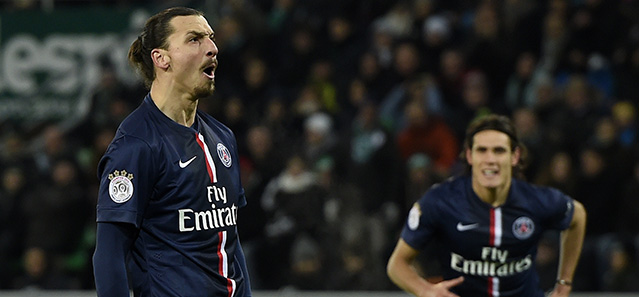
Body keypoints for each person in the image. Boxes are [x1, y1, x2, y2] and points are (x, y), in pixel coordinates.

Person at [92, 7, 251, 297]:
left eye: (211, 38)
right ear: (161, 58)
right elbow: (109, 254)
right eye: (194, 39)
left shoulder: (223, 138)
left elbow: (230, 243)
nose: (213, 48)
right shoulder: (137, 145)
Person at [387, 114, 587, 297]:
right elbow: (397, 265)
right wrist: (425, 290)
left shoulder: (537, 201)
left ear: (514, 156)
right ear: (469, 156)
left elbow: (577, 216)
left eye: (499, 151)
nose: (490, 160)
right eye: (482, 150)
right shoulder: (441, 201)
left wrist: (564, 284)